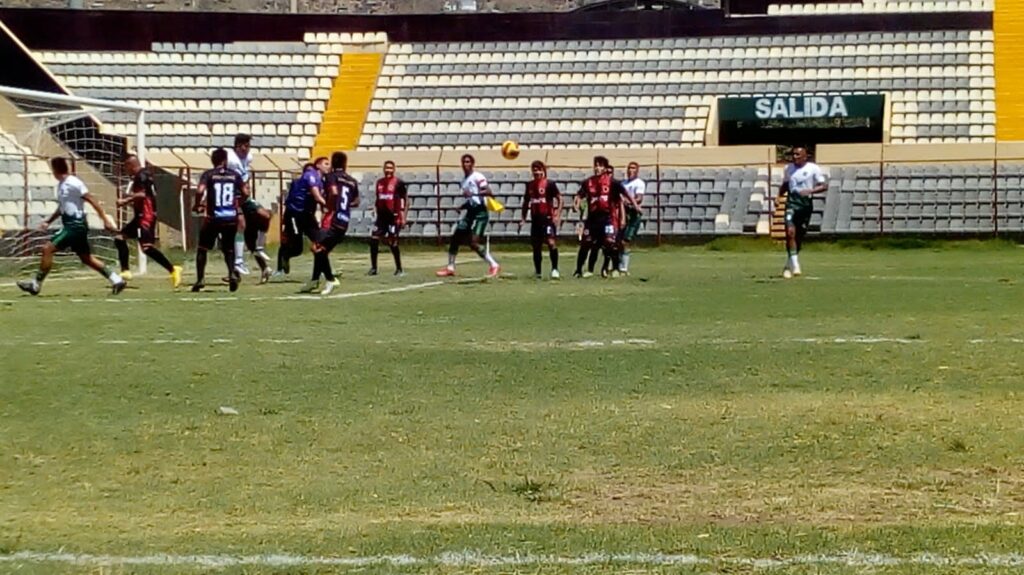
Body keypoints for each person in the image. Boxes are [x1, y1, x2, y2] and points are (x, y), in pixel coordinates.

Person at [17, 157, 126, 295]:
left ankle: (35, 285)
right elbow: (62, 207)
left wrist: (104, 219)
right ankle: (116, 280)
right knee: (86, 258)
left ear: (55, 170)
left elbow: (92, 199)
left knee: (47, 249)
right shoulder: (62, 184)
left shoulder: (73, 183)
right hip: (72, 224)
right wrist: (48, 221)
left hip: (75, 225)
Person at [114, 154, 182, 288]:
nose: (125, 170)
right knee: (119, 238)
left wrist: (125, 200)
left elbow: (144, 194)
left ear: (131, 165)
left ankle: (173, 269)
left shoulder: (141, 176)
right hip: (142, 214)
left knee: (147, 248)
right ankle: (125, 271)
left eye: (126, 167)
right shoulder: (145, 174)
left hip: (146, 216)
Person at [435, 154, 500, 278]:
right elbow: (471, 200)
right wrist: (462, 206)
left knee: (473, 243)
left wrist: (473, 193)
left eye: (468, 162)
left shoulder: (478, 176)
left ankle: (494, 264)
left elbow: (488, 191)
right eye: (464, 162)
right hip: (470, 212)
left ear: (472, 163)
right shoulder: (463, 181)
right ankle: (450, 267)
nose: (466, 164)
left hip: (480, 213)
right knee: (456, 236)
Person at [191, 148, 243, 292]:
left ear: (213, 161)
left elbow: (200, 190)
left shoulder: (209, 175)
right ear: (225, 160)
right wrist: (238, 205)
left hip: (214, 218)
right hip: (231, 217)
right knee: (229, 248)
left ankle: (200, 279)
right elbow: (245, 192)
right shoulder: (234, 175)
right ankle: (232, 273)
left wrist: (197, 205)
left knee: (202, 248)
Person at [310, 151, 360, 295]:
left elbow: (334, 192)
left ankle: (330, 279)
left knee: (317, 248)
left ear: (333, 163)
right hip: (344, 220)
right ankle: (315, 280)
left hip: (333, 217)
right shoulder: (352, 180)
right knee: (322, 250)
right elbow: (356, 202)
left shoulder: (331, 177)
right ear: (345, 164)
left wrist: (330, 206)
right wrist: (344, 206)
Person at [573, 156, 631, 278]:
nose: (597, 168)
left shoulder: (612, 183)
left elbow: (624, 194)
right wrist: (576, 203)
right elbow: (579, 195)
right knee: (587, 243)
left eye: (600, 165)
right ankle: (579, 270)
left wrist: (634, 206)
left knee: (610, 242)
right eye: (596, 165)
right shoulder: (588, 182)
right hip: (592, 218)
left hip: (607, 218)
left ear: (605, 168)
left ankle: (615, 269)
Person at [226, 133, 272, 282]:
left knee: (265, 215)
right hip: (233, 199)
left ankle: (260, 250)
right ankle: (237, 265)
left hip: (245, 199)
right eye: (245, 146)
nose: (247, 149)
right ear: (238, 146)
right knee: (240, 227)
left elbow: (245, 177)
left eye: (248, 146)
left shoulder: (248, 158)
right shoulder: (230, 159)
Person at [273, 157, 328, 280]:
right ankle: (282, 262)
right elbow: (317, 197)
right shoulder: (308, 177)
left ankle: (325, 269)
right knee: (296, 247)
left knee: (320, 241)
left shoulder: (320, 181)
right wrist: (328, 205)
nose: (328, 166)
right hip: (295, 215)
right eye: (326, 163)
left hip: (308, 215)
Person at [781, 145, 828, 278]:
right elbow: (785, 185)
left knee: (798, 236)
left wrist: (811, 191)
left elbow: (824, 186)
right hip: (791, 203)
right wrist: (778, 197)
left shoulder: (813, 168)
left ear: (805, 156)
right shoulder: (788, 168)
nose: (794, 157)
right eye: (793, 154)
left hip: (806, 205)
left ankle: (788, 264)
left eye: (797, 155)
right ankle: (796, 266)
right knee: (790, 232)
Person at [519, 160, 562, 279]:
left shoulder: (549, 184)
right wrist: (523, 218)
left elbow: (559, 198)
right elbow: (526, 202)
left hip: (547, 219)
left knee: (551, 243)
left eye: (538, 169)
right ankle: (538, 272)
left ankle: (555, 269)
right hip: (535, 220)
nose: (536, 172)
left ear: (543, 170)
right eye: (534, 170)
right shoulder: (529, 185)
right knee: (536, 246)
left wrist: (557, 214)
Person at [368, 160, 408, 277]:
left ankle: (399, 268)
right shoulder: (379, 183)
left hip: (393, 217)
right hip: (381, 217)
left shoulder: (398, 183)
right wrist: (375, 208)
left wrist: (403, 216)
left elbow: (405, 200)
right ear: (383, 169)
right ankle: (374, 268)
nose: (388, 170)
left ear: (394, 169)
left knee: (392, 242)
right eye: (386, 168)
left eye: (390, 168)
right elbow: (378, 198)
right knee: (374, 239)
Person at [619, 161, 645, 274]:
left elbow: (639, 198)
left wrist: (627, 201)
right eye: (629, 168)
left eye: (633, 168)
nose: (630, 170)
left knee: (626, 240)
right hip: (622, 212)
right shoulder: (623, 184)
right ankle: (618, 265)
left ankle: (624, 267)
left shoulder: (639, 183)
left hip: (633, 213)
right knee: (619, 240)